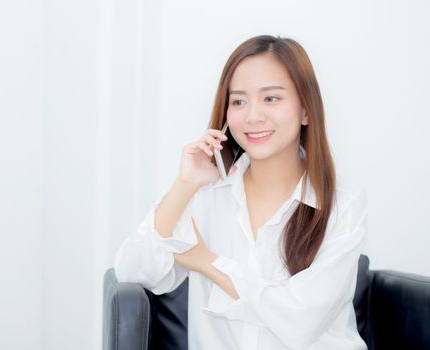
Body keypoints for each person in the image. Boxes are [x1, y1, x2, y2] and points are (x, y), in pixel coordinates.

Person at [114, 34, 368, 350]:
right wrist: (185, 184)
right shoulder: (206, 194)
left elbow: (300, 322)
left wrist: (206, 262)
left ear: (306, 110)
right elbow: (132, 271)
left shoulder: (342, 201)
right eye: (238, 101)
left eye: (271, 98)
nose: (252, 116)